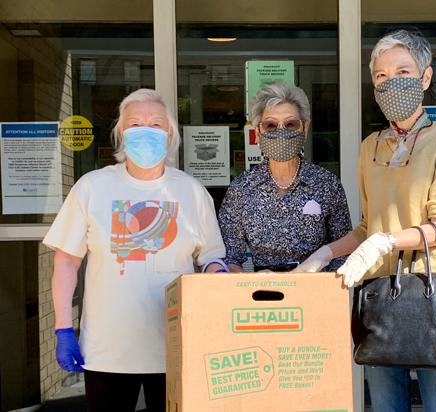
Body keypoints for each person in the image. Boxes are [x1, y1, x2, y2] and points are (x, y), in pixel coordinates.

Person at [298, 30, 436, 411]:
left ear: (425, 78)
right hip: (380, 295)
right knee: (386, 405)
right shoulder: (370, 146)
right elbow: (367, 226)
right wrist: (325, 253)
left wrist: (385, 241)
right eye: (380, 75)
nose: (390, 81)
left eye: (403, 70)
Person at [44, 88, 226, 412]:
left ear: (170, 135)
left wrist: (219, 274)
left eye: (155, 124)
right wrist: (62, 328)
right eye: (135, 124)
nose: (145, 131)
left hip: (174, 347)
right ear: (121, 133)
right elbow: (66, 261)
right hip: (107, 350)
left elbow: (210, 256)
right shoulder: (92, 187)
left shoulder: (191, 191)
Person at [219, 82, 352, 273]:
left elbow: (344, 248)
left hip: (314, 290)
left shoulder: (326, 184)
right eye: (271, 125)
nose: (281, 131)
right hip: (260, 293)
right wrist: (249, 283)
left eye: (290, 124)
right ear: (258, 133)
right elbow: (230, 256)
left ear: (304, 130)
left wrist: (322, 282)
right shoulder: (241, 188)